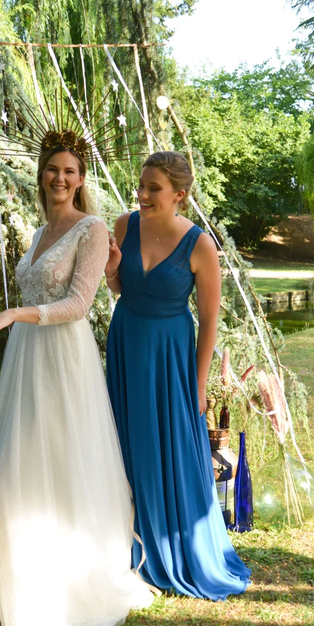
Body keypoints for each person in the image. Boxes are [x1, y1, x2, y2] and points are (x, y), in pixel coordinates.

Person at [0, 133, 153, 626]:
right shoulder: (39, 231)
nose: (60, 178)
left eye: (70, 171)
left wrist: (14, 314)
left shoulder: (92, 228)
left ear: (81, 179)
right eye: (52, 169)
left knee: (60, 465)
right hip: (26, 360)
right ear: (42, 174)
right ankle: (21, 578)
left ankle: (64, 586)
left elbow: (80, 304)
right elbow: (32, 297)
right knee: (14, 468)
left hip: (65, 361)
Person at [104, 151, 251, 600]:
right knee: (125, 439)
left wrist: (199, 382)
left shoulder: (200, 244)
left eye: (154, 188)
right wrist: (111, 269)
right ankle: (126, 538)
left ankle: (175, 541)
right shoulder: (124, 225)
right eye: (141, 185)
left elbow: (209, 322)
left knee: (166, 445)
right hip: (127, 341)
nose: (142, 194)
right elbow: (118, 287)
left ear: (180, 195)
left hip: (170, 352)